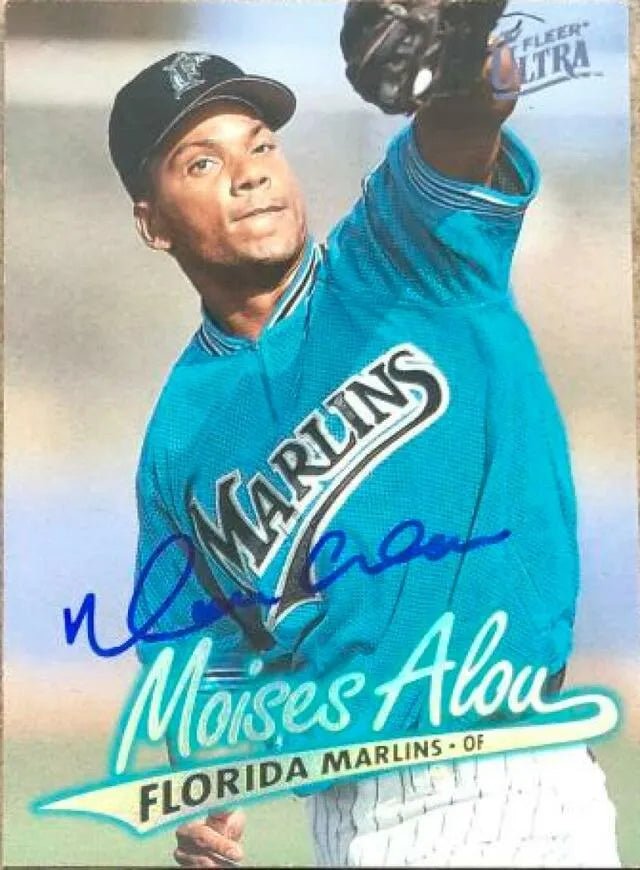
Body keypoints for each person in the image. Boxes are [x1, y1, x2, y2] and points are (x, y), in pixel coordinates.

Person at [107, 11, 620, 869]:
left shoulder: (401, 252)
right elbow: (206, 653)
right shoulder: (180, 436)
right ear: (153, 222)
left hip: (509, 789)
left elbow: (468, 124)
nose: (250, 174)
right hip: (343, 821)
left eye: (261, 145)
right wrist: (207, 791)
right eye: (203, 162)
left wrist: (462, 66)